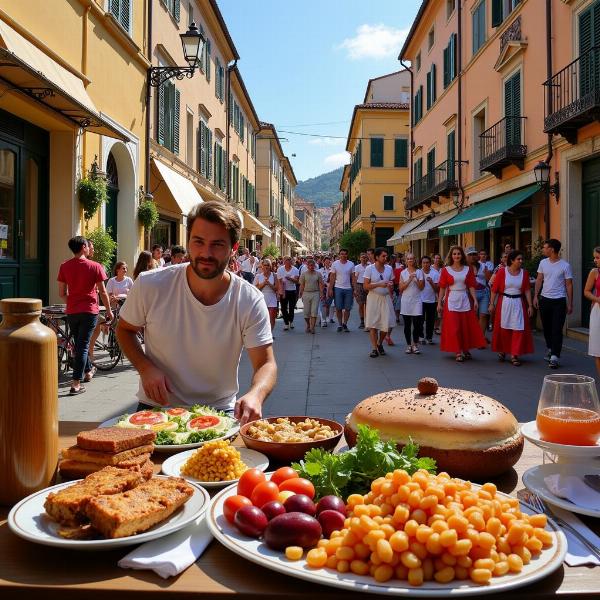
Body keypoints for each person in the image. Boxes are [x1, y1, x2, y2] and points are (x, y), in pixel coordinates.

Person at [116, 201, 276, 424]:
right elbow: (125, 329)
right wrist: (146, 368)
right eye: (198, 242)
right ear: (188, 241)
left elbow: (266, 363)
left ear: (234, 248)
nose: (206, 253)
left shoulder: (249, 299)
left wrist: (256, 394)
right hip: (156, 407)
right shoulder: (150, 284)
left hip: (219, 411)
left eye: (217, 244)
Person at [57, 236, 113, 395]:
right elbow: (102, 291)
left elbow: (61, 293)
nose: (89, 248)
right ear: (83, 247)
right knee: (82, 346)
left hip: (73, 311)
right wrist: (108, 310)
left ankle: (88, 371)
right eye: (87, 246)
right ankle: (75, 384)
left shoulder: (64, 266)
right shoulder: (95, 266)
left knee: (79, 343)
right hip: (89, 310)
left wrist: (73, 302)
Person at [437, 245, 486, 362]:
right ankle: (457, 351)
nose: (456, 256)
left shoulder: (467, 269)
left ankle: (465, 348)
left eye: (458, 254)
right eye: (454, 254)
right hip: (451, 300)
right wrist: (439, 302)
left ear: (462, 255)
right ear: (451, 256)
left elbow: (471, 285)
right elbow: (442, 288)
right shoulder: (446, 270)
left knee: (465, 326)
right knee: (454, 328)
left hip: (464, 299)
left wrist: (474, 299)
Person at [533, 238, 573, 369]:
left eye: (545, 247)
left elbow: (569, 285)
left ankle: (555, 356)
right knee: (547, 328)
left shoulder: (565, 265)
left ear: (552, 249)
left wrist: (570, 303)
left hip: (559, 301)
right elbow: (539, 279)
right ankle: (550, 348)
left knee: (557, 328)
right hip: (545, 299)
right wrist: (535, 296)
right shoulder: (543, 263)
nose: (543, 250)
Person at [489, 250, 534, 366]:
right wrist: (491, 303)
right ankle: (503, 349)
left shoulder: (524, 273)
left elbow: (527, 290)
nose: (521, 261)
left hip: (518, 302)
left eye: (521, 259)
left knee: (518, 328)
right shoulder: (502, 272)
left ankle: (514, 354)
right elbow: (494, 289)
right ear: (512, 260)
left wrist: (530, 305)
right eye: (518, 259)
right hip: (505, 302)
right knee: (504, 329)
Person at [363, 247, 395, 357]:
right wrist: (379, 284)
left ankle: (379, 343)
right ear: (377, 257)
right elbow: (365, 286)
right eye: (383, 256)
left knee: (386, 325)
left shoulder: (389, 268)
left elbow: (391, 282)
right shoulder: (369, 269)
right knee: (373, 324)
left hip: (386, 298)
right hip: (373, 298)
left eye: (386, 256)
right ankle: (374, 349)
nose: (386, 258)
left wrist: (390, 287)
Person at [399, 253, 425, 355]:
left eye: (412, 258)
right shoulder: (403, 273)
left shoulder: (419, 272)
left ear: (415, 260)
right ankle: (409, 345)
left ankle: (415, 344)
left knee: (417, 324)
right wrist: (409, 279)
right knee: (407, 325)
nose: (410, 260)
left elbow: (421, 287)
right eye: (408, 259)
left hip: (417, 300)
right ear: (406, 261)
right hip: (406, 301)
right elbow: (401, 288)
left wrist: (415, 279)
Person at [467, 246, 492, 340]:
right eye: (470, 254)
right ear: (466, 256)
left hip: (483, 292)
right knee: (472, 316)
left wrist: (487, 274)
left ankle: (480, 338)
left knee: (484, 315)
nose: (473, 256)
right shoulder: (464, 267)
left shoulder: (483, 266)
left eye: (474, 254)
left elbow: (489, 279)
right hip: (470, 293)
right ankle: (472, 336)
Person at [329, 248, 355, 332]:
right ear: (339, 255)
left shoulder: (351, 264)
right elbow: (332, 277)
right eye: (342, 254)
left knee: (348, 308)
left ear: (347, 255)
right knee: (338, 307)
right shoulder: (335, 264)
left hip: (348, 288)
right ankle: (340, 324)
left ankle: (345, 324)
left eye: (345, 254)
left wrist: (355, 289)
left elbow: (353, 277)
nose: (343, 255)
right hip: (338, 288)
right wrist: (330, 289)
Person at [584, 246, 600, 375]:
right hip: (598, 311)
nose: (595, 260)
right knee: (597, 348)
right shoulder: (594, 272)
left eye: (597, 257)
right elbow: (586, 291)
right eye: (594, 257)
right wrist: (597, 299)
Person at [299, 259, 323, 334]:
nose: (311, 267)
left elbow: (320, 284)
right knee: (306, 312)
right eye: (310, 265)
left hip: (315, 293)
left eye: (313, 265)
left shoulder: (318, 274)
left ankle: (312, 327)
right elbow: (302, 285)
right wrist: (300, 293)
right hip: (306, 293)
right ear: (307, 266)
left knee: (314, 311)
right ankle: (308, 324)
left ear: (315, 266)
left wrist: (321, 293)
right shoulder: (304, 274)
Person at [420, 255, 440, 345]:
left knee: (430, 320)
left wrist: (431, 282)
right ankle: (420, 337)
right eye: (423, 263)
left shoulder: (435, 273)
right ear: (421, 263)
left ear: (430, 263)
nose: (425, 264)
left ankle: (429, 337)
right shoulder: (418, 272)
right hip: (420, 300)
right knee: (420, 320)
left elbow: (437, 289)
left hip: (432, 300)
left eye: (427, 262)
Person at [254, 258, 278, 332]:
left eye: (268, 265)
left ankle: (270, 333)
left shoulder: (274, 275)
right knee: (262, 319)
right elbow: (255, 289)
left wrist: (269, 284)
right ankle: (264, 333)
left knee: (272, 318)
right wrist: (263, 284)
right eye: (265, 265)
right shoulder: (258, 276)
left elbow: (276, 288)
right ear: (262, 266)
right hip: (261, 299)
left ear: (270, 266)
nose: (266, 266)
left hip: (272, 298)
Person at [277, 256, 299, 331]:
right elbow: (279, 281)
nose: (288, 261)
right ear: (284, 261)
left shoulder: (295, 269)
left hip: (292, 290)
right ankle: (286, 323)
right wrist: (281, 292)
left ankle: (291, 321)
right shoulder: (280, 269)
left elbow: (296, 281)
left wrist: (289, 278)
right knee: (283, 308)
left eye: (289, 260)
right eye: (286, 260)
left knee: (291, 307)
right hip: (283, 290)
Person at [353, 253, 369, 329]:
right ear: (360, 258)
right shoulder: (357, 267)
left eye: (365, 257)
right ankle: (362, 321)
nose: (364, 259)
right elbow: (355, 278)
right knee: (361, 304)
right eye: (362, 257)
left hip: (368, 286)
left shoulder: (370, 267)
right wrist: (355, 289)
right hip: (359, 285)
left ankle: (367, 321)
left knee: (368, 304)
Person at [318, 257, 334, 327]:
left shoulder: (333, 270)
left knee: (328, 305)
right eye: (326, 262)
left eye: (328, 261)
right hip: (322, 289)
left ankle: (325, 317)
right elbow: (318, 280)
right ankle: (323, 320)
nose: (327, 263)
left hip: (330, 289)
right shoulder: (320, 271)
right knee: (322, 304)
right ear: (323, 262)